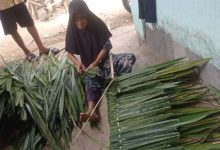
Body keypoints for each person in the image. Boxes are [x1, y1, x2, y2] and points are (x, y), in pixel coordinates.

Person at [65, 0, 136, 122]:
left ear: (87, 14)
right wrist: (78, 64)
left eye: (82, 18)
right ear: (72, 19)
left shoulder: (96, 23)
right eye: (76, 19)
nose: (80, 22)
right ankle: (91, 112)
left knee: (128, 59)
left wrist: (96, 62)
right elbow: (69, 53)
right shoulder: (72, 30)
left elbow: (107, 45)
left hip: (105, 61)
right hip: (90, 67)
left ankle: (118, 85)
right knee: (90, 81)